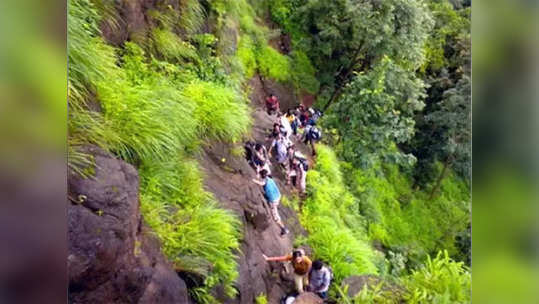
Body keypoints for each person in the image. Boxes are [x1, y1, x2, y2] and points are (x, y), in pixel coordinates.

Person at [252, 170, 289, 236]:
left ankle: (283, 229)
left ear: (262, 175)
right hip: (277, 196)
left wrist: (254, 181)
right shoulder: (269, 178)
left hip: (273, 200)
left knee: (275, 216)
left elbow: (261, 183)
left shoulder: (265, 181)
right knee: (272, 205)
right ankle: (283, 228)